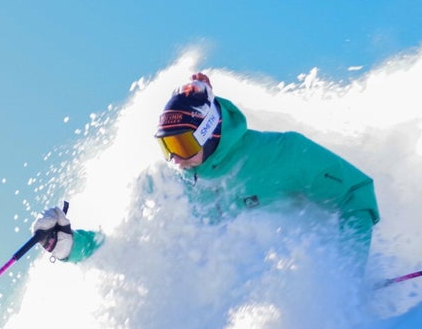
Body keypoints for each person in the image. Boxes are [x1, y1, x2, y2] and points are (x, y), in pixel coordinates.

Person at [31, 72, 380, 272]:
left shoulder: (280, 154)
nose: (176, 160)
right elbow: (123, 248)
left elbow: (356, 193)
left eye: (182, 146)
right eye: (166, 148)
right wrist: (68, 246)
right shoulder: (162, 186)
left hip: (285, 285)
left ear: (210, 129)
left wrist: (345, 277)